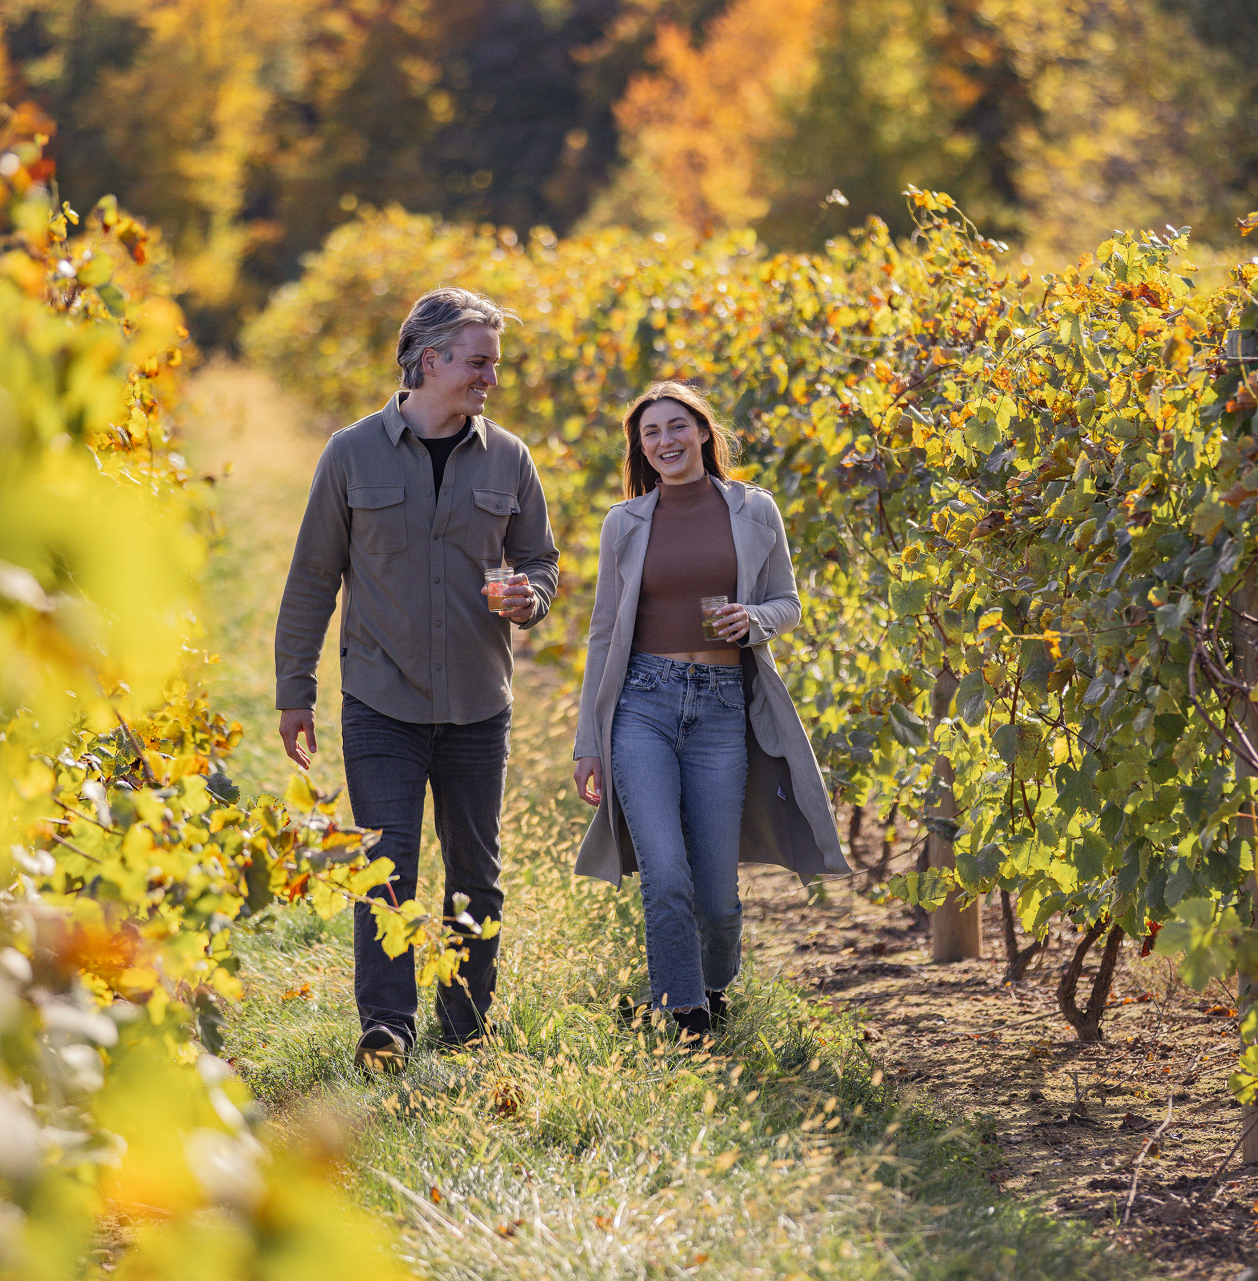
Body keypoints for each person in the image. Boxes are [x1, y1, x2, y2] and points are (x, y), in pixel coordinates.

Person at [275, 286, 560, 1071]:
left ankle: (466, 1025)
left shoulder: (510, 457)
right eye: (477, 362)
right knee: (387, 865)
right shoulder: (351, 452)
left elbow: (541, 560)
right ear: (428, 360)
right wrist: (293, 689)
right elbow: (312, 577)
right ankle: (388, 1029)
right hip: (381, 697)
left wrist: (529, 595)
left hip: (478, 702)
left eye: (493, 364)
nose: (489, 379)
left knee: (477, 872)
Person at [571, 382, 846, 1041]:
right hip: (643, 702)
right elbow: (605, 631)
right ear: (641, 448)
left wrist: (752, 618)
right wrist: (590, 739)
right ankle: (682, 1009)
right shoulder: (625, 522)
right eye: (650, 433)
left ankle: (713, 987)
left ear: (702, 431)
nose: (665, 441)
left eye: (677, 426)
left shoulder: (755, 509)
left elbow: (788, 603)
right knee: (665, 871)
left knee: (717, 895)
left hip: (722, 708)